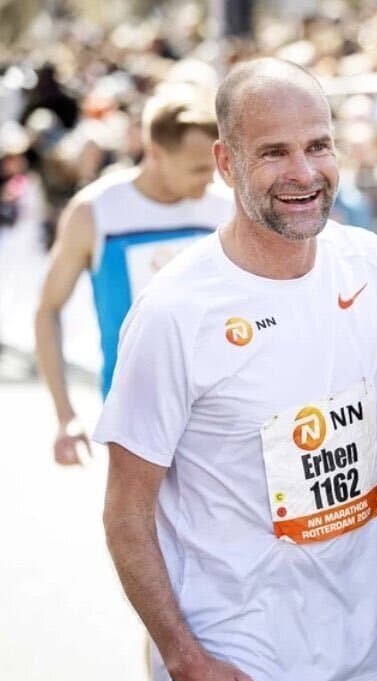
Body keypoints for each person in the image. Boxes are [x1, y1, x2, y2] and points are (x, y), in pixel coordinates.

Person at [94, 58, 377, 681]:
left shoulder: (376, 268)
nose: (304, 172)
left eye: (318, 145)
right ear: (225, 161)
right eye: (274, 152)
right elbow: (125, 515)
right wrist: (188, 665)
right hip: (236, 680)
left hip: (357, 661)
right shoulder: (176, 313)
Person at [35, 84, 232, 465]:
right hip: (137, 426)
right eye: (198, 169)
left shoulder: (224, 206)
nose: (211, 179)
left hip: (222, 417)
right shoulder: (97, 210)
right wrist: (65, 416)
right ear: (155, 154)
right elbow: (47, 310)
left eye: (215, 166)